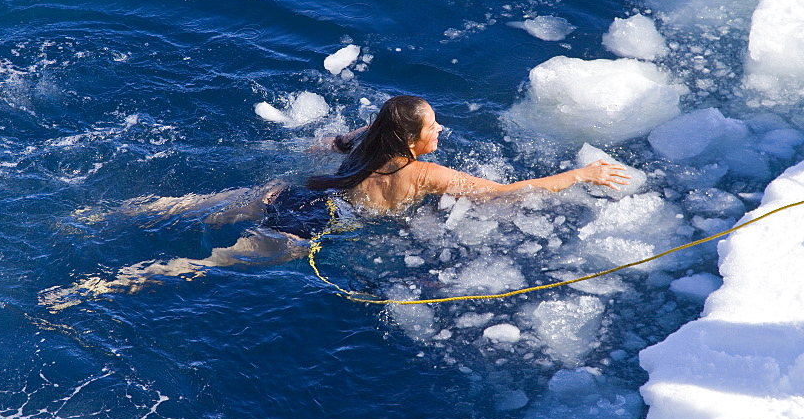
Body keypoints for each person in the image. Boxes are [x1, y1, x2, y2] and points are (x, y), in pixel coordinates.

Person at [40, 95, 629, 310]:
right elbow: (508, 194)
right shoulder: (423, 175)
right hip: (314, 228)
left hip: (291, 194)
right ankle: (97, 289)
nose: (441, 131)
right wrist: (580, 173)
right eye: (434, 127)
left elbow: (326, 142)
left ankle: (88, 217)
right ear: (412, 141)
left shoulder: (364, 141)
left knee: (185, 203)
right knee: (207, 264)